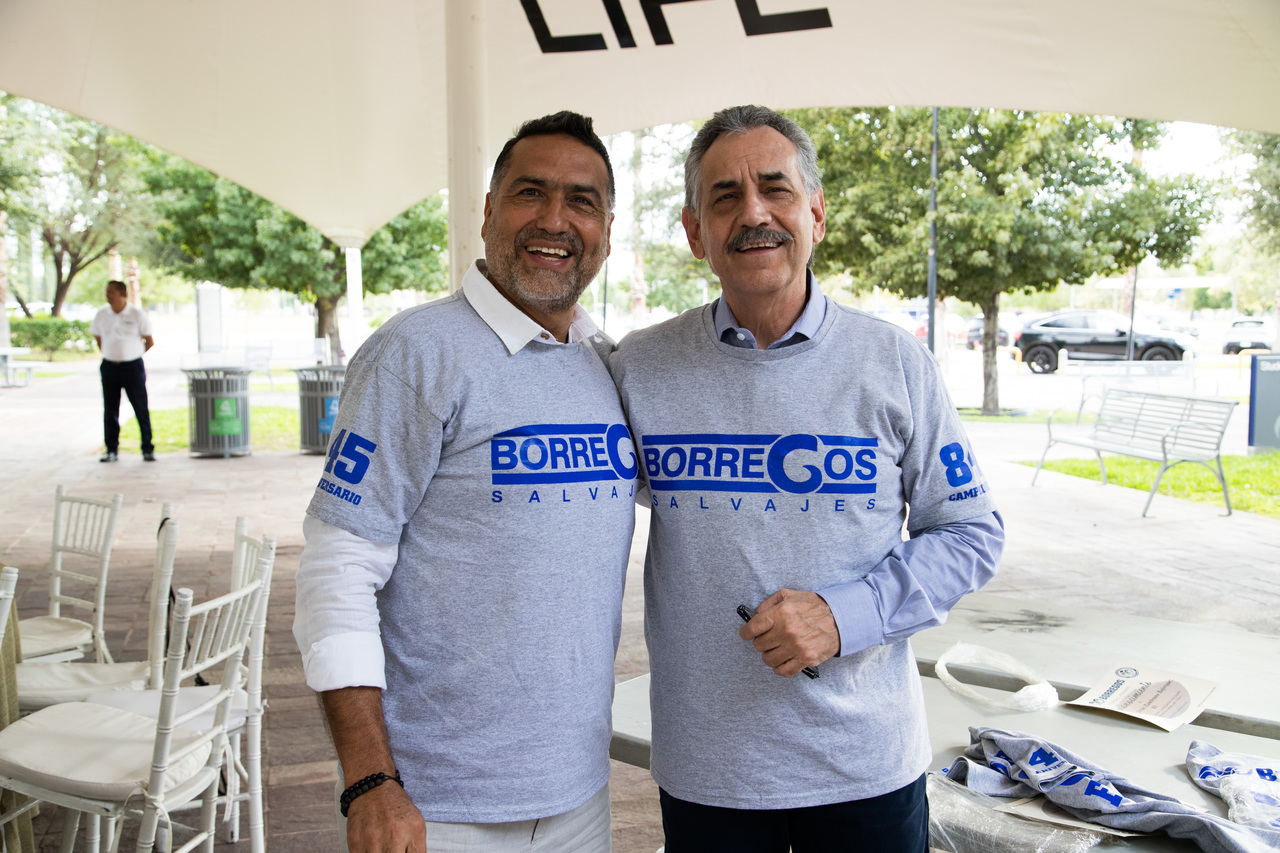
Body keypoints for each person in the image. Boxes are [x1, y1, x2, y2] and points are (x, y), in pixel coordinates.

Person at [609, 105, 1005, 852]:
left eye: (775, 189)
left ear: (815, 214)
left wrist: (846, 614)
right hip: (710, 771)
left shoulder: (894, 362)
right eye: (725, 196)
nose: (753, 213)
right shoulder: (639, 368)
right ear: (695, 232)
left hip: (867, 768)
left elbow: (971, 533)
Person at [293, 111, 638, 853]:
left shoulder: (603, 364)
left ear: (607, 231)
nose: (554, 219)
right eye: (529, 192)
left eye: (581, 201)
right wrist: (369, 781)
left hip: (580, 798)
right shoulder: (415, 353)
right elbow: (337, 571)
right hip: (435, 808)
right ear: (487, 213)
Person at [90, 279, 155, 462]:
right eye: (107, 291)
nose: (108, 295)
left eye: (111, 291)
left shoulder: (136, 314)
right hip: (109, 367)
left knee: (140, 407)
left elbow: (149, 341)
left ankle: (147, 449)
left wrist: (133, 354)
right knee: (110, 409)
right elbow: (98, 338)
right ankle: (111, 450)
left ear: (122, 293)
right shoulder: (102, 314)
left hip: (133, 368)